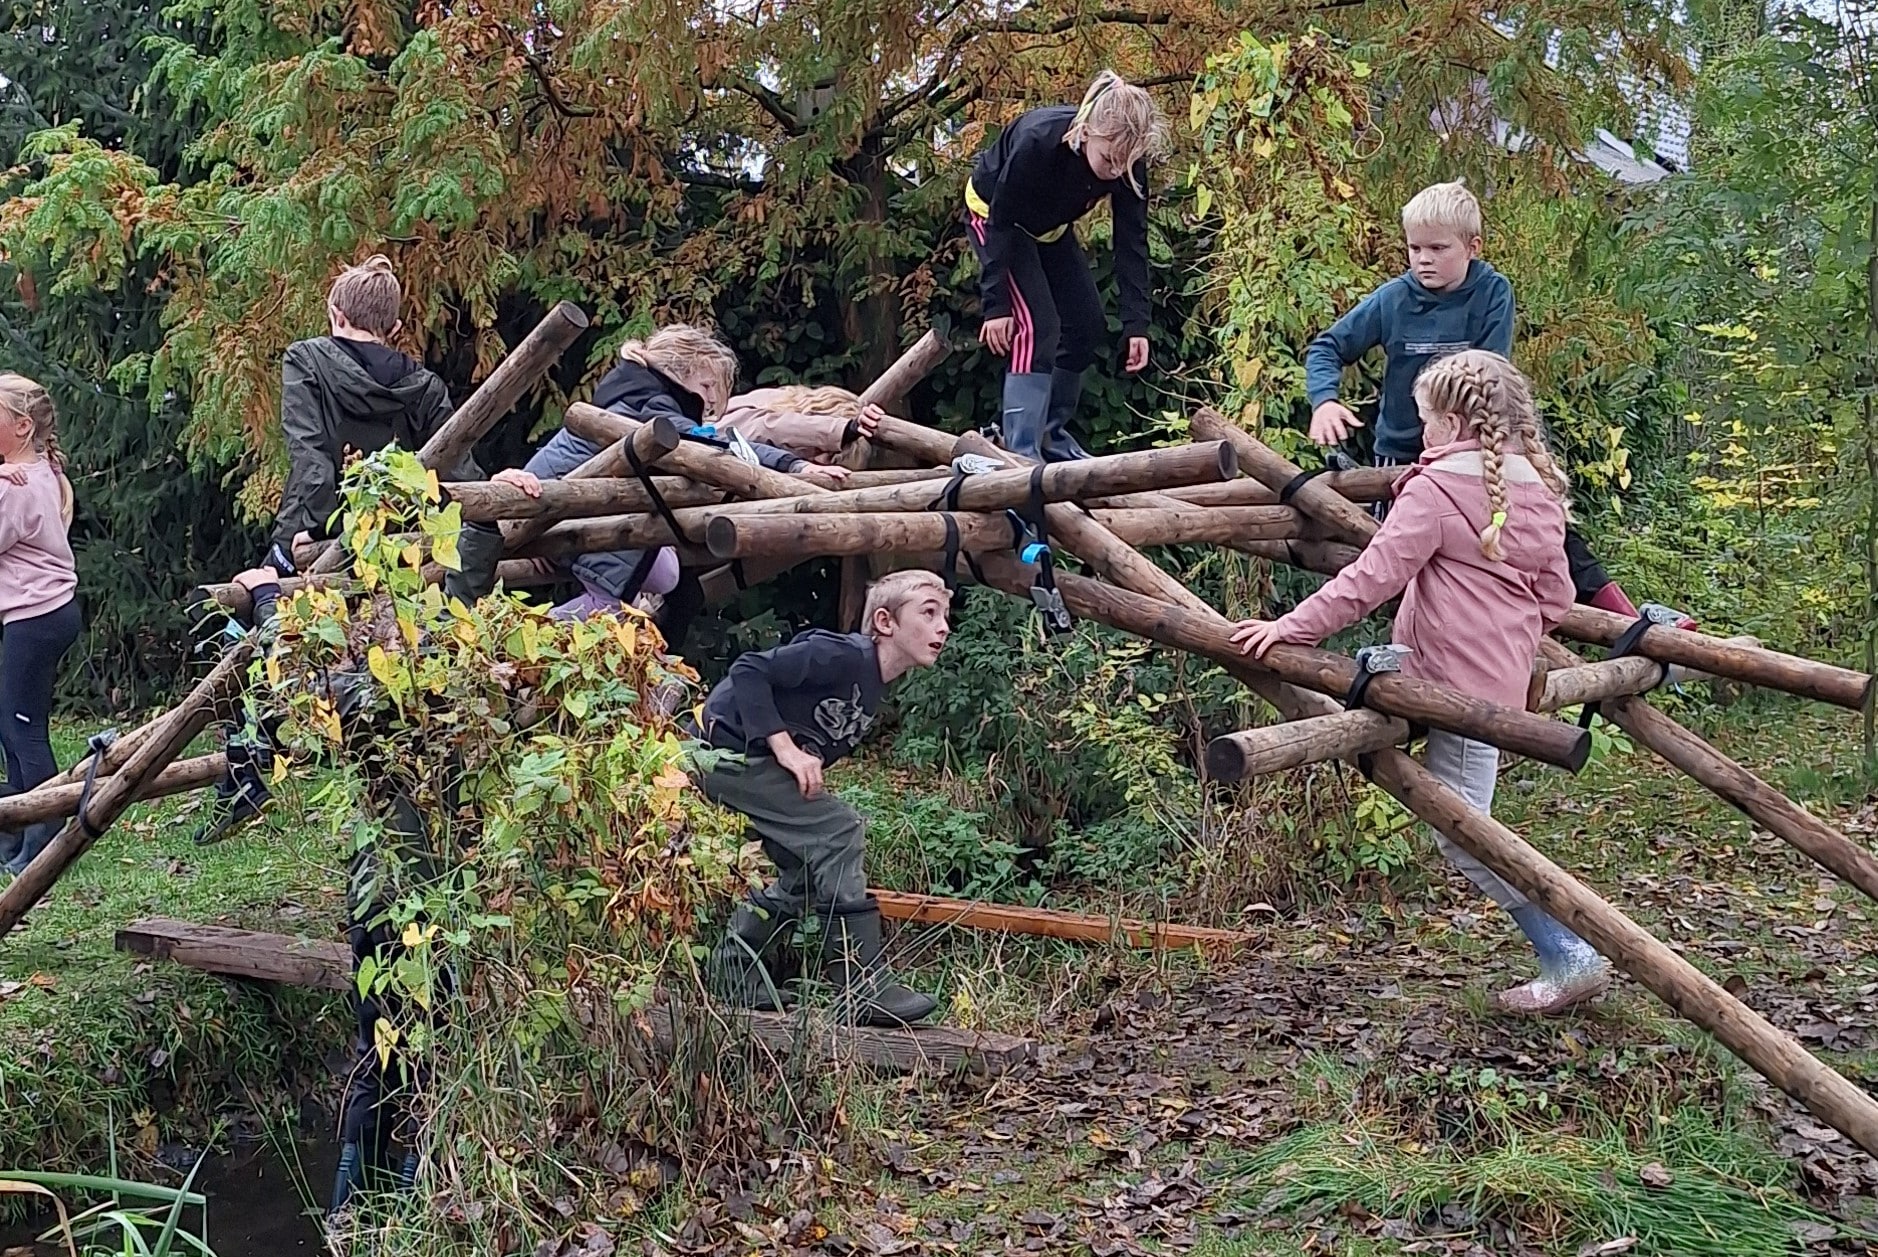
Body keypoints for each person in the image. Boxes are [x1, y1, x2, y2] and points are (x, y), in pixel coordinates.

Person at [1232, 350, 1612, 1016]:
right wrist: (1506, 633)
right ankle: (1567, 948)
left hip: (1454, 690)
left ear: (1458, 422)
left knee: (1465, 832)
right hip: (1485, 678)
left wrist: (1290, 626)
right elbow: (1554, 594)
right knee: (1462, 814)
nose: (1420, 434)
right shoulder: (1537, 489)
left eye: (1426, 420)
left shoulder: (1437, 490)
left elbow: (1371, 577)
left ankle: (1570, 951)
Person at [192, 255, 515, 846]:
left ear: (335, 311)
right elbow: (457, 471)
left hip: (325, 534)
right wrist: (505, 487)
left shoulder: (308, 360)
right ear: (392, 325)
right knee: (374, 669)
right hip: (398, 545)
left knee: (257, 627)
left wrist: (300, 535)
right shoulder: (422, 383)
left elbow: (312, 458)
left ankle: (246, 772)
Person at [1303, 179, 1666, 622]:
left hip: (1472, 450)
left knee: (1539, 515)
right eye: (1414, 248)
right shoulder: (1394, 299)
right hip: (1402, 452)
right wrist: (1325, 400)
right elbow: (1328, 347)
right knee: (1404, 552)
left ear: (1472, 247)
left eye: (1437, 249)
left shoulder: (1492, 293)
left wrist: (1471, 441)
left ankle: (1620, 615)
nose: (1423, 259)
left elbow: (1488, 376)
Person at [692, 570, 951, 1027]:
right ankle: (861, 987)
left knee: (806, 866)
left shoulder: (875, 687)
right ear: (886, 622)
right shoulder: (841, 655)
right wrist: (785, 748)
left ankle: (733, 974)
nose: (943, 626)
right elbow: (749, 669)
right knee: (839, 829)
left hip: (750, 763)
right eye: (929, 613)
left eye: (945, 616)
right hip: (723, 753)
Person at [508, 326, 845, 644]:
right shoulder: (647, 404)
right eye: (708, 385)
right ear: (682, 369)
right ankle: (521, 642)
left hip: (576, 509)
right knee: (612, 605)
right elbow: (710, 444)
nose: (710, 401)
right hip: (558, 508)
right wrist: (793, 464)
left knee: (671, 582)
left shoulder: (641, 394)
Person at [965, 70, 1168, 462]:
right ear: (1088, 130)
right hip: (995, 217)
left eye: (1124, 164)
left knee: (1087, 324)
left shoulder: (1126, 165)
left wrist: (1136, 324)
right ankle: (1020, 448)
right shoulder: (1039, 141)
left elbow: (1131, 242)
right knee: (1038, 325)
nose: (1113, 171)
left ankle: (1051, 435)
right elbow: (1002, 221)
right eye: (1108, 159)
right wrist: (996, 306)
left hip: (1049, 228)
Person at [0, 374, 80, 875]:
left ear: (23, 426)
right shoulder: (36, 471)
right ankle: (15, 825)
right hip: (45, 613)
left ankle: (45, 839)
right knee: (9, 719)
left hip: (36, 616)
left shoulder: (17, 490)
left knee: (23, 727)